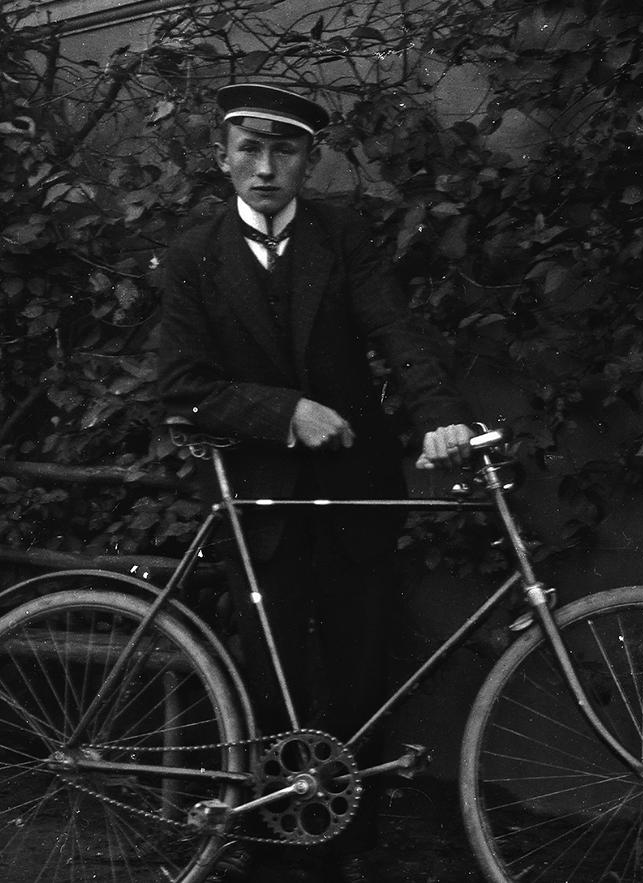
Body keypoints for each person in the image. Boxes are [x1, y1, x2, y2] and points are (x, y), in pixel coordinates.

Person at [156, 82, 475, 883]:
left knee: (360, 661)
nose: (266, 168)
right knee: (272, 671)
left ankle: (344, 848)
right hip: (258, 489)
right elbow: (184, 384)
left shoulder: (343, 235)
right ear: (222, 156)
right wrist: (284, 410)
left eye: (285, 150)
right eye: (250, 149)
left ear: (310, 159)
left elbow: (393, 329)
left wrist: (439, 413)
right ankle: (269, 848)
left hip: (350, 485)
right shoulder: (194, 255)